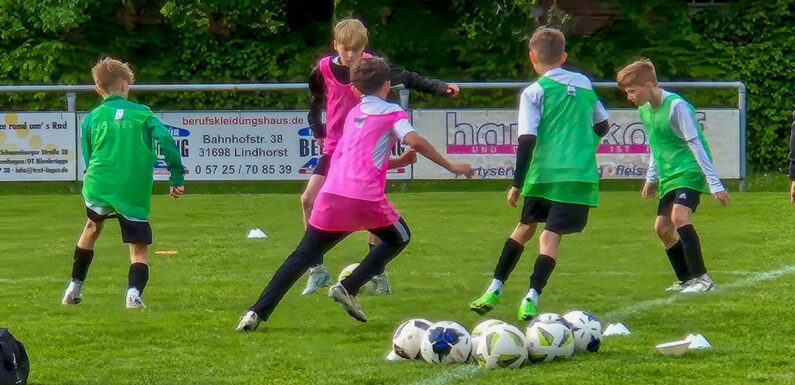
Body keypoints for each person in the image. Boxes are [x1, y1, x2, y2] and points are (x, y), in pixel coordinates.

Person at [236, 57, 474, 331]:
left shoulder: (353, 113)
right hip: (364, 199)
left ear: (354, 89)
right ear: (388, 85)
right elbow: (414, 141)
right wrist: (451, 166)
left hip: (332, 195)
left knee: (301, 256)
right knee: (399, 237)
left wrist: (399, 162)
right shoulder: (392, 112)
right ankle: (349, 286)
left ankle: (255, 313)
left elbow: (357, 160)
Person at [300, 18, 460, 296]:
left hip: (364, 144)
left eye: (357, 50)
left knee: (369, 212)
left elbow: (407, 77)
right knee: (307, 199)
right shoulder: (323, 69)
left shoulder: (371, 68)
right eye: (346, 49)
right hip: (335, 145)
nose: (351, 55)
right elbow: (315, 101)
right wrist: (318, 130)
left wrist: (438, 87)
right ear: (335, 45)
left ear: (364, 48)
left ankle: (378, 273)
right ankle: (317, 268)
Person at [469, 27, 610, 321]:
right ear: (564, 56)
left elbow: (527, 139)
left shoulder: (534, 92)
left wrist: (516, 183)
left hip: (543, 174)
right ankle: (531, 297)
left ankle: (494, 288)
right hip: (578, 176)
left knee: (524, 228)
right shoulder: (584, 83)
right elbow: (602, 125)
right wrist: (582, 148)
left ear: (532, 57)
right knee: (550, 235)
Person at [61, 57, 185, 309]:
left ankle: (73, 287)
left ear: (98, 89)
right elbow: (167, 142)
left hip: (98, 183)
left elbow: (88, 155)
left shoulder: (92, 118)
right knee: (138, 247)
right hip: (131, 189)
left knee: (91, 228)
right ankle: (133, 294)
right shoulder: (143, 114)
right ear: (125, 85)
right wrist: (176, 177)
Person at [617, 59, 728, 293]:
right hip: (668, 174)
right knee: (662, 228)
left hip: (688, 170)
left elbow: (695, 143)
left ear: (648, 85)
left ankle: (703, 280)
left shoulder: (677, 106)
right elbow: (656, 144)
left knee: (679, 216)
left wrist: (714, 182)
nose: (629, 97)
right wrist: (651, 178)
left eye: (632, 91)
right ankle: (686, 279)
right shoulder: (644, 109)